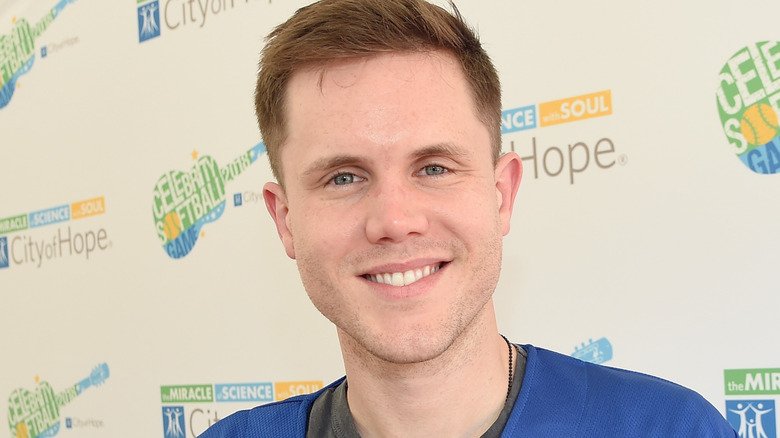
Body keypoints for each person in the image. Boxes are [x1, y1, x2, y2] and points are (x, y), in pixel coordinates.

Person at [201, 0, 737, 436]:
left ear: (502, 194)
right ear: (286, 220)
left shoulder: (668, 427)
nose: (394, 219)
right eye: (344, 177)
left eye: (434, 167)